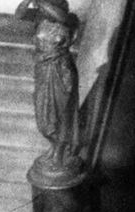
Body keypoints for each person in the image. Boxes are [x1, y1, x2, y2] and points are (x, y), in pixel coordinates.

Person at [15, 0, 81, 174]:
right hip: (43, 70)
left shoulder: (67, 18)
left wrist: (39, 2)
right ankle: (54, 146)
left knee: (60, 114)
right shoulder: (40, 16)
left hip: (60, 71)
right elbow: (19, 14)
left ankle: (59, 153)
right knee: (43, 116)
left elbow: (60, 16)